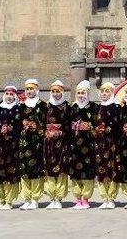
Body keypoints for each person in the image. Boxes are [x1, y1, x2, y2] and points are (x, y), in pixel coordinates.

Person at [69, 80, 98, 210]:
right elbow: (66, 125)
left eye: (83, 93)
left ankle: (85, 198)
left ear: (87, 94)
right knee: (75, 171)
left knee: (87, 170)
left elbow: (97, 124)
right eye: (79, 93)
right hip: (74, 144)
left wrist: (89, 127)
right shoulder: (72, 108)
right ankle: (77, 198)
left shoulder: (93, 107)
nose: (81, 95)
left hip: (88, 143)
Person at [18, 78, 47, 210]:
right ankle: (27, 198)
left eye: (32, 89)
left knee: (35, 170)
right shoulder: (21, 106)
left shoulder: (43, 105)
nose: (30, 91)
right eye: (28, 89)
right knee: (24, 170)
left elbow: (46, 122)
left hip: (37, 141)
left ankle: (35, 198)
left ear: (37, 90)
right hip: (24, 141)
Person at [44, 80, 71, 209]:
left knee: (60, 169)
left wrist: (61, 131)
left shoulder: (67, 106)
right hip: (49, 143)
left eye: (58, 92)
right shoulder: (46, 106)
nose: (56, 94)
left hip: (62, 142)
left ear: (62, 92)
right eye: (53, 91)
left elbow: (71, 124)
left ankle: (59, 197)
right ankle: (52, 197)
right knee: (50, 169)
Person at [94, 82, 121, 209]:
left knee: (112, 169)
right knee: (101, 168)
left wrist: (106, 129)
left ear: (112, 92)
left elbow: (118, 125)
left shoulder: (116, 107)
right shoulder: (97, 108)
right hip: (100, 143)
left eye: (107, 91)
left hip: (112, 143)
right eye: (102, 91)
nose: (104, 94)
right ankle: (104, 197)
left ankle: (111, 197)